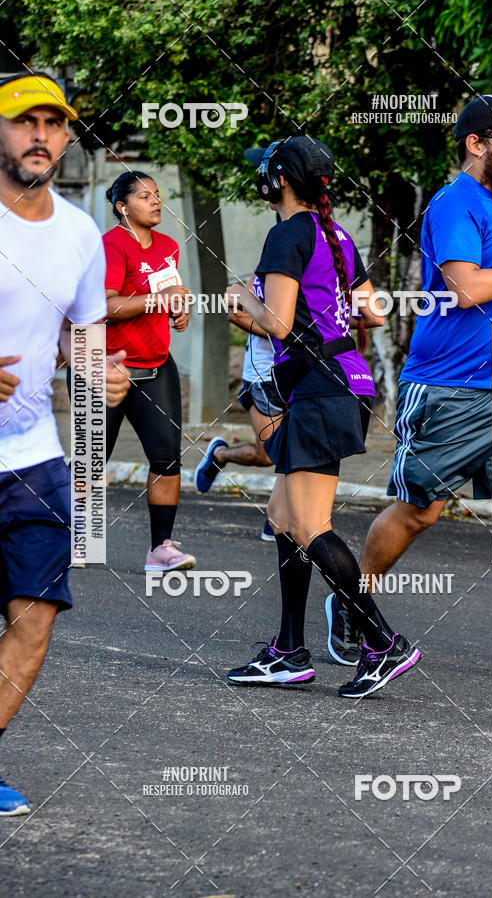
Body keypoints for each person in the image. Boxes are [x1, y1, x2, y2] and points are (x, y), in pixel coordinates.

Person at [325, 93, 492, 682]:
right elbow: (465, 288)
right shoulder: (453, 204)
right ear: (478, 145)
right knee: (420, 513)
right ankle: (351, 600)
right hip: (450, 388)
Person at [224, 135, 421, 698]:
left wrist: (242, 294)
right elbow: (375, 316)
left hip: (317, 389)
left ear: (279, 179)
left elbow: (280, 325)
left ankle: (383, 642)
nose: (260, 177)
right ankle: (288, 651)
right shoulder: (335, 235)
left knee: (311, 526)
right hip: (350, 383)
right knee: (286, 516)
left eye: (264, 170)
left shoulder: (286, 234)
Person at [0, 72, 130, 815]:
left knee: (35, 615)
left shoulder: (80, 232)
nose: (40, 134)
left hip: (31, 459)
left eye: (53, 122)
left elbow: (81, 334)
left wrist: (100, 371)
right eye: (24, 122)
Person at [91, 170, 195, 572]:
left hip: (156, 366)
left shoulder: (169, 246)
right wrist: (159, 298)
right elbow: (106, 306)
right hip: (107, 366)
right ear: (123, 207)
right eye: (145, 196)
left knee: (167, 460)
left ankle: (160, 550)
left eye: (158, 195)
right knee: (90, 462)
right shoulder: (112, 246)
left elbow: (168, 292)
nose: (156, 202)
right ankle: (56, 537)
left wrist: (177, 308)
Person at [194, 288, 286, 542]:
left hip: (305, 372)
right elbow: (237, 314)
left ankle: (278, 519)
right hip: (265, 375)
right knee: (267, 455)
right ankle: (219, 454)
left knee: (300, 449)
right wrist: (292, 335)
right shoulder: (270, 266)